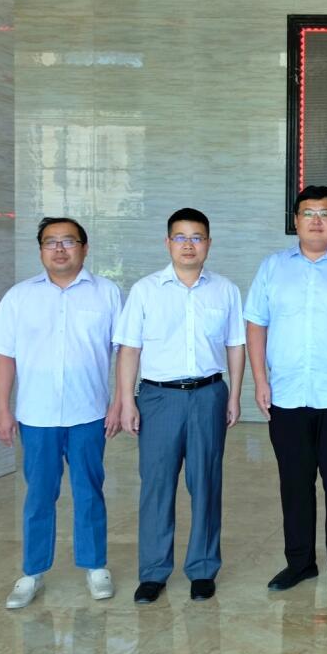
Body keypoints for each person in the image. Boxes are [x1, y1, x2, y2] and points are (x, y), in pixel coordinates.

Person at [0, 217, 123, 609]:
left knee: (89, 490)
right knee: (39, 494)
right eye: (50, 242)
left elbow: (126, 351)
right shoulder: (19, 297)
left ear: (85, 248)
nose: (59, 249)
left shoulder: (107, 293)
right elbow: (5, 357)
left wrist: (119, 401)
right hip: (36, 415)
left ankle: (95, 566)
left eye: (68, 241)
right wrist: (2, 409)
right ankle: (32, 572)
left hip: (88, 412)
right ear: (41, 249)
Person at [115, 208, 245, 604]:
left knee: (206, 483)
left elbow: (235, 345)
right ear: (168, 242)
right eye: (180, 237)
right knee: (157, 485)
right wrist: (126, 401)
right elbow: (129, 349)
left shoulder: (225, 290)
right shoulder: (145, 290)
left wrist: (234, 395)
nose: (189, 245)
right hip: (158, 398)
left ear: (209, 243)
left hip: (208, 395)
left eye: (197, 237)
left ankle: (203, 568)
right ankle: (153, 571)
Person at [244, 186, 327, 595]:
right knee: (294, 483)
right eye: (308, 213)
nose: (316, 221)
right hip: (287, 393)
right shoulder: (273, 267)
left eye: (325, 213)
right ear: (295, 220)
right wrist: (260, 380)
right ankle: (299, 563)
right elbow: (256, 324)